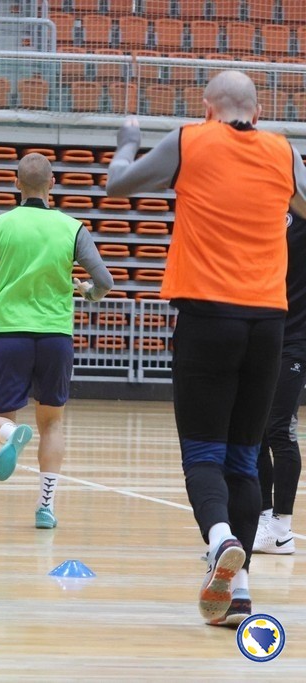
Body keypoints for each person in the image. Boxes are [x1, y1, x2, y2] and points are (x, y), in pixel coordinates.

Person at [105, 70, 306, 627]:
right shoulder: (282, 151)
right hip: (268, 324)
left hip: (208, 318)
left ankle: (221, 540)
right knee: (244, 459)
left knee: (202, 456)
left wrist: (126, 141)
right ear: (257, 113)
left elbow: (118, 186)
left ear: (208, 108)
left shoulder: (189, 140)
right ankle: (239, 594)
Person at [0, 152, 113, 530]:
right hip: (55, 336)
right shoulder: (72, 228)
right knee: (52, 424)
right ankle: (45, 507)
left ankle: (12, 435)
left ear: (16, 183)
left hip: (10, 333)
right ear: (51, 185)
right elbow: (104, 282)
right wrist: (89, 293)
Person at [254, 209, 306, 555]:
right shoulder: (266, 209)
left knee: (279, 428)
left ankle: (282, 528)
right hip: (264, 334)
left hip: (295, 340)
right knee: (254, 429)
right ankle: (262, 519)